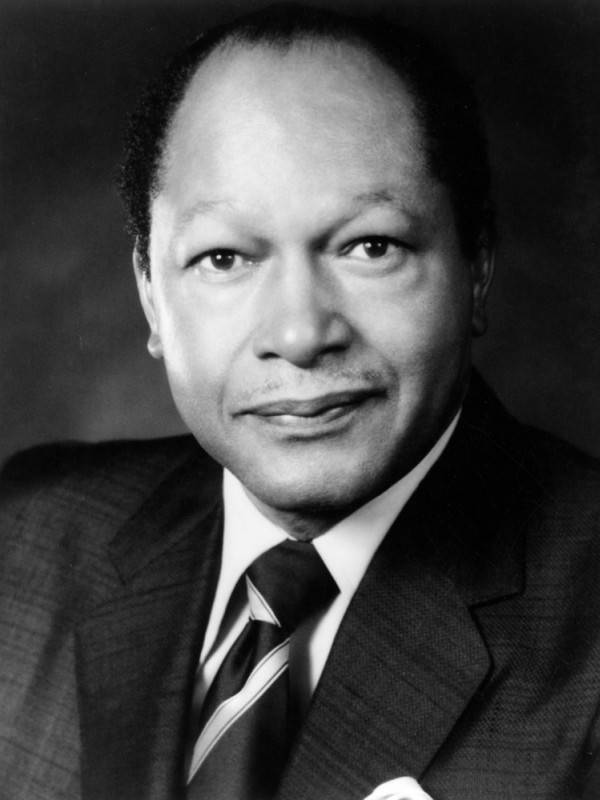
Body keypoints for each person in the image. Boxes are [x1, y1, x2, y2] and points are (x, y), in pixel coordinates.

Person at [0, 4, 599, 799]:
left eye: (370, 246)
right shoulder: (24, 541)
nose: (300, 332)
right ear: (150, 294)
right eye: (224, 258)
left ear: (476, 266)